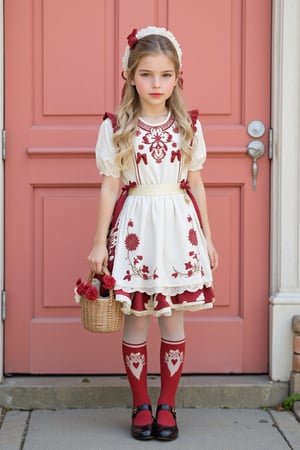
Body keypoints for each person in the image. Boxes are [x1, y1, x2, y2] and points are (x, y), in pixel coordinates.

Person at [88, 25, 218, 441]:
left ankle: (168, 404)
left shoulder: (188, 126)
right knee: (137, 320)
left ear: (178, 76)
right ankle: (141, 403)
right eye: (146, 74)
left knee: (172, 318)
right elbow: (110, 183)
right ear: (129, 76)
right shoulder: (117, 126)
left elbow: (195, 182)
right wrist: (97, 242)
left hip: (178, 229)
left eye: (165, 74)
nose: (156, 84)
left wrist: (208, 237)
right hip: (135, 230)